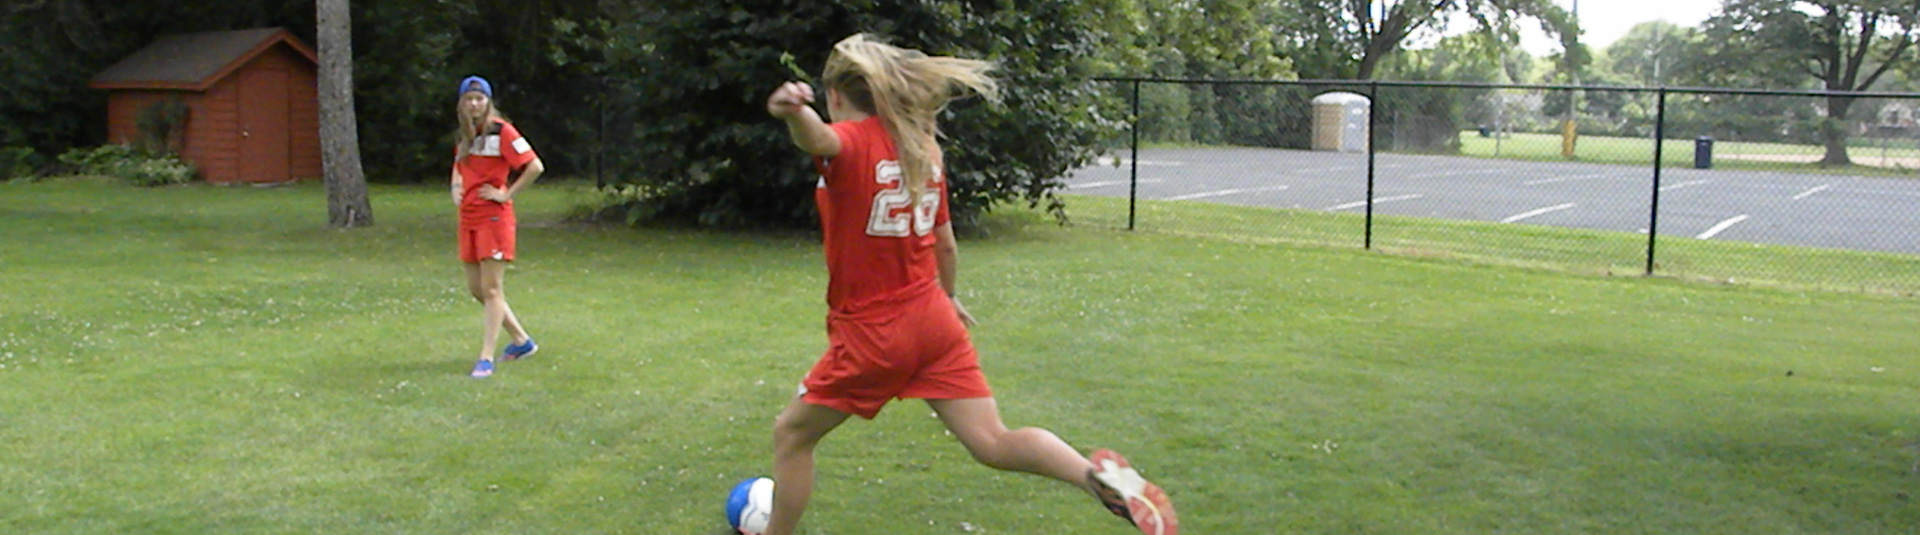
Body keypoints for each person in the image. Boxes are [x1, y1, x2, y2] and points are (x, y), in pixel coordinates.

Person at [760, 34, 1177, 535]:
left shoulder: (851, 141)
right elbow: (946, 244)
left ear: (835, 96)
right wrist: (951, 298)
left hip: (875, 334)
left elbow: (819, 139)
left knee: (792, 435)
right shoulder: (922, 151)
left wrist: (791, 113)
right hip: (934, 319)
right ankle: (1096, 479)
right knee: (993, 441)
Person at [450, 75, 544, 378]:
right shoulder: (465, 134)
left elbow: (534, 166)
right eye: (469, 99)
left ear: (488, 101)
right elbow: (459, 166)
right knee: (477, 289)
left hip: (494, 218)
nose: (474, 104)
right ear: (461, 103)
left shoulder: (502, 131)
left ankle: (486, 357)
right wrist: (455, 184)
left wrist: (506, 194)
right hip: (469, 217)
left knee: (492, 289)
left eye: (479, 98)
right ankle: (521, 341)